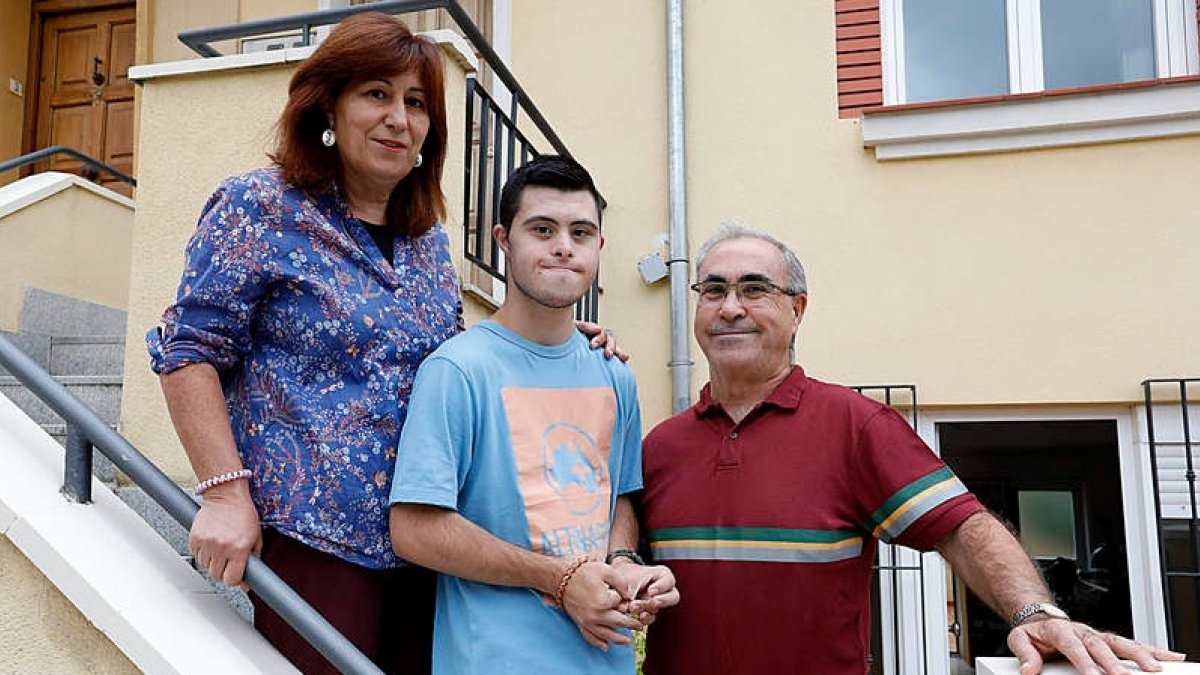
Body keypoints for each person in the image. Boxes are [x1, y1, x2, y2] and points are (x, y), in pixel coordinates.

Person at [147, 15, 617, 674]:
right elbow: (188, 346)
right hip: (314, 539)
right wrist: (225, 491)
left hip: (427, 538)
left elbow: (457, 366)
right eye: (377, 93)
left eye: (416, 103)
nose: (399, 117)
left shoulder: (427, 241)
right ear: (329, 107)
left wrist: (567, 341)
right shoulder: (258, 206)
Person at [638, 222, 1186, 675]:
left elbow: (964, 527)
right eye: (714, 290)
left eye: (755, 289)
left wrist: (1034, 611)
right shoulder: (661, 446)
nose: (731, 307)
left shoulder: (856, 426)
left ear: (797, 310)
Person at [388, 156, 679, 675]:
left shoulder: (615, 373)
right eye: (542, 229)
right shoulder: (457, 369)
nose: (564, 246)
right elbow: (413, 529)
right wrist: (560, 579)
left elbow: (621, 501)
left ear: (599, 248)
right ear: (504, 240)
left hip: (601, 660)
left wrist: (624, 566)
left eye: (581, 232)